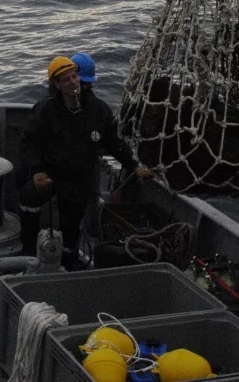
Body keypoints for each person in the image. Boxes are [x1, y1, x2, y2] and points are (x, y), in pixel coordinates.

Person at [19, 55, 152, 269]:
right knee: (28, 198)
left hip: (77, 180)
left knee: (71, 226)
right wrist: (37, 171)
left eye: (75, 77)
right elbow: (29, 142)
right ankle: (26, 253)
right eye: (66, 79)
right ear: (56, 85)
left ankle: (68, 263)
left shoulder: (98, 110)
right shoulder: (45, 110)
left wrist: (134, 166)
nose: (73, 82)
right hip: (49, 174)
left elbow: (114, 142)